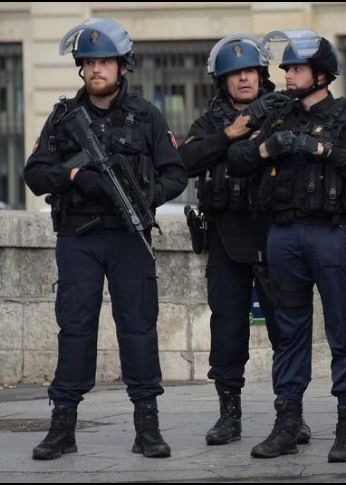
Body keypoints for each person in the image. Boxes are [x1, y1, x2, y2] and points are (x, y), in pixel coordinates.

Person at [24, 17, 187, 460]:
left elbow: (176, 173)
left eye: (106, 62)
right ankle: (63, 426)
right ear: (81, 69)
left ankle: (147, 426)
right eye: (89, 62)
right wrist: (74, 174)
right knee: (75, 328)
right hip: (78, 238)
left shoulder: (146, 117)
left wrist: (145, 195)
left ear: (122, 68)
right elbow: (35, 174)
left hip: (128, 238)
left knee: (138, 328)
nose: (97, 70)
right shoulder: (63, 119)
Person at [228, 29, 346, 463]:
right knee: (289, 333)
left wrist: (323, 149)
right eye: (288, 68)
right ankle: (287, 423)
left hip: (331, 236)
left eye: (295, 68)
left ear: (321, 74)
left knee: (341, 332)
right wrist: (266, 150)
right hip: (283, 237)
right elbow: (237, 161)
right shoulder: (278, 116)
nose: (287, 75)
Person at [178, 34, 310, 447]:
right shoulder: (209, 122)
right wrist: (232, 132)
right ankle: (228, 415)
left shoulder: (284, 112)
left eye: (250, 71)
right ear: (222, 81)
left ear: (261, 75)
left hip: (276, 235)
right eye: (235, 74)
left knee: (285, 329)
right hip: (225, 237)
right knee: (228, 329)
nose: (244, 80)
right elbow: (186, 160)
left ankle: (291, 415)